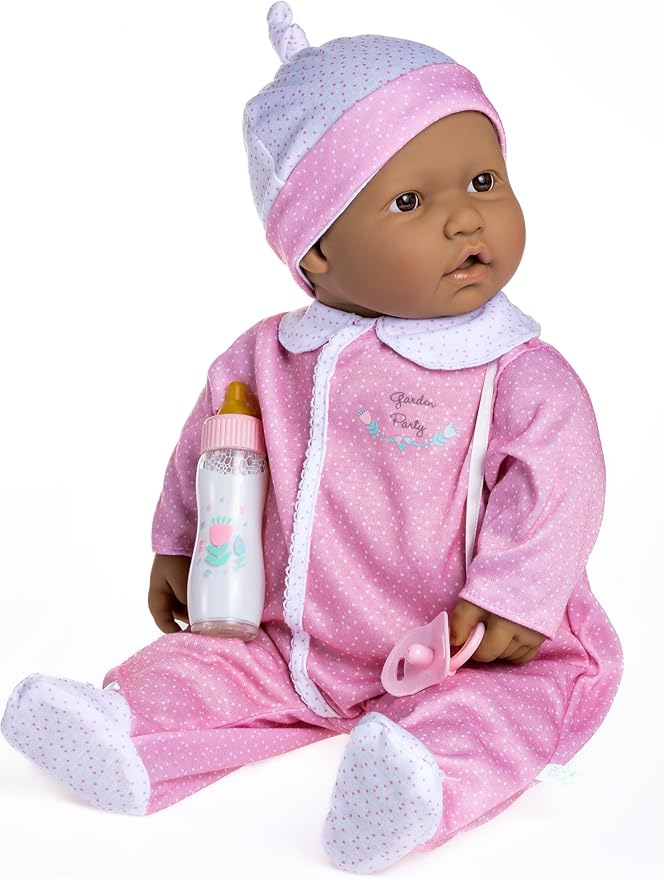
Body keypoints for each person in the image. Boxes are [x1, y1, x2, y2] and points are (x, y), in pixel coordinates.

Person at [1, 3, 622, 874]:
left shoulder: (515, 370)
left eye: (484, 181)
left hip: (472, 648)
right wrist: (179, 541)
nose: (465, 219)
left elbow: (562, 484)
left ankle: (415, 784)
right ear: (316, 252)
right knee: (204, 666)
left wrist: (519, 595)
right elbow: (209, 448)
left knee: (505, 713)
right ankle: (122, 731)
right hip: (294, 639)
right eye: (410, 201)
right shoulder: (268, 356)